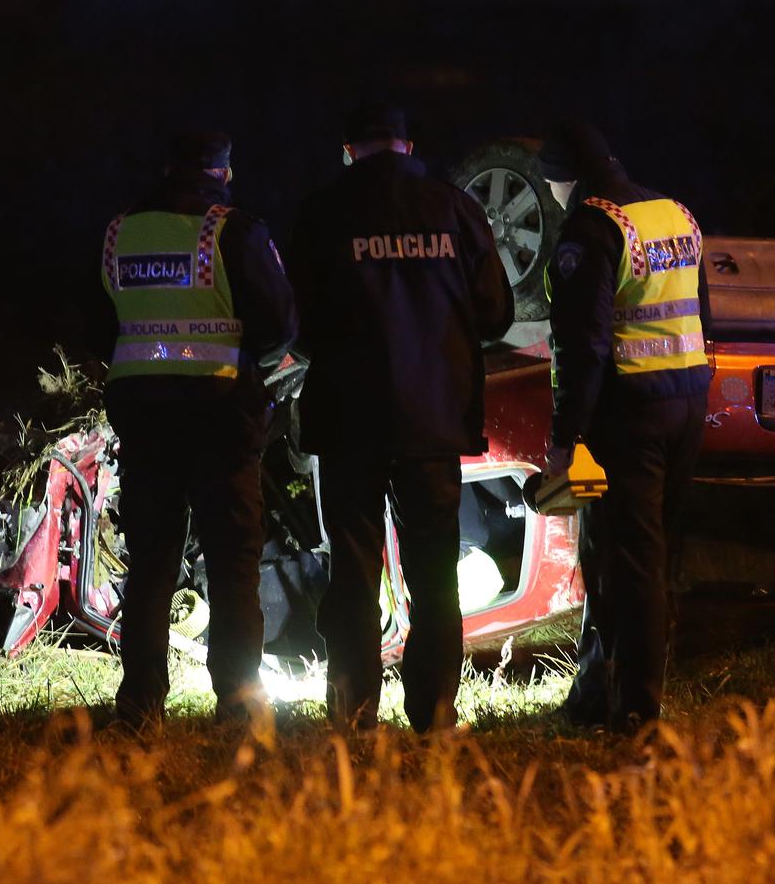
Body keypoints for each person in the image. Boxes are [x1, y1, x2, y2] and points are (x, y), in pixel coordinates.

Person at [289, 104, 514, 733]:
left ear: (348, 151)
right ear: (408, 146)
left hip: (349, 421)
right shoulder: (455, 209)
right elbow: (496, 313)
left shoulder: (322, 212)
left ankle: (353, 711)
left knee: (353, 570)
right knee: (435, 571)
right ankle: (434, 714)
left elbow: (295, 323)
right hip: (433, 419)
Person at [97, 130, 298, 728]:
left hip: (145, 424)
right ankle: (239, 705)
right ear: (223, 173)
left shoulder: (120, 231)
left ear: (168, 168)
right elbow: (280, 326)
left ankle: (140, 707)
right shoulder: (232, 231)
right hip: (221, 422)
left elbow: (98, 326)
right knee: (233, 565)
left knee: (150, 566)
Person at [538, 119, 711, 734]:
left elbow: (582, 347)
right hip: (687, 402)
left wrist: (565, 439)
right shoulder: (675, 214)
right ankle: (595, 693)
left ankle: (636, 712)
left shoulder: (591, 229)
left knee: (629, 562)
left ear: (565, 178)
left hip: (631, 415)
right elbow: (701, 310)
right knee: (642, 553)